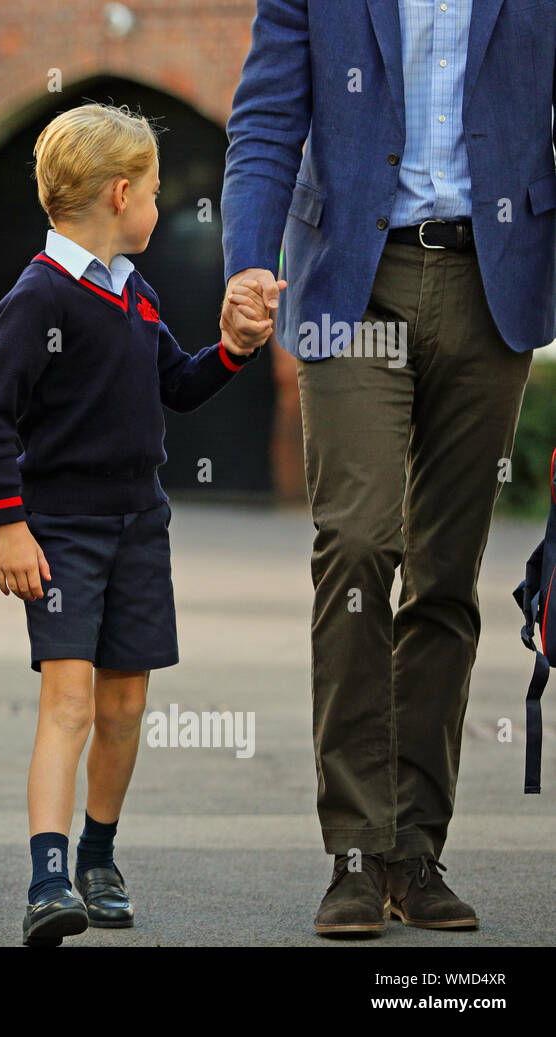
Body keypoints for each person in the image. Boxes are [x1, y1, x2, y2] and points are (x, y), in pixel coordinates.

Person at [221, 0, 556, 935]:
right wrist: (247, 261)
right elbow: (267, 119)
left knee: (447, 575)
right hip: (349, 283)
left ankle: (417, 848)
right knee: (361, 541)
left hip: (495, 281)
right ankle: (355, 851)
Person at [0, 103, 273, 947]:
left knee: (125, 704)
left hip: (141, 525)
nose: (159, 206)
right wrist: (9, 526)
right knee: (67, 700)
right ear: (119, 192)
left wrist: (236, 351)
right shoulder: (37, 298)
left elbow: (177, 381)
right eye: (153, 193)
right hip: (60, 530)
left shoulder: (133, 291)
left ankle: (99, 856)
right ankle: (47, 876)